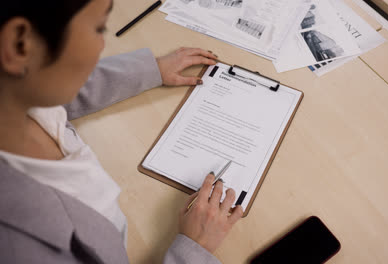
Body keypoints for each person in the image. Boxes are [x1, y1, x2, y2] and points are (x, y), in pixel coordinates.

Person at [0, 0, 243, 263]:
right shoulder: (23, 251)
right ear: (20, 44)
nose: (103, 45)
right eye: (99, 28)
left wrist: (148, 70)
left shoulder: (20, 104)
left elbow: (47, 89)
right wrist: (194, 251)